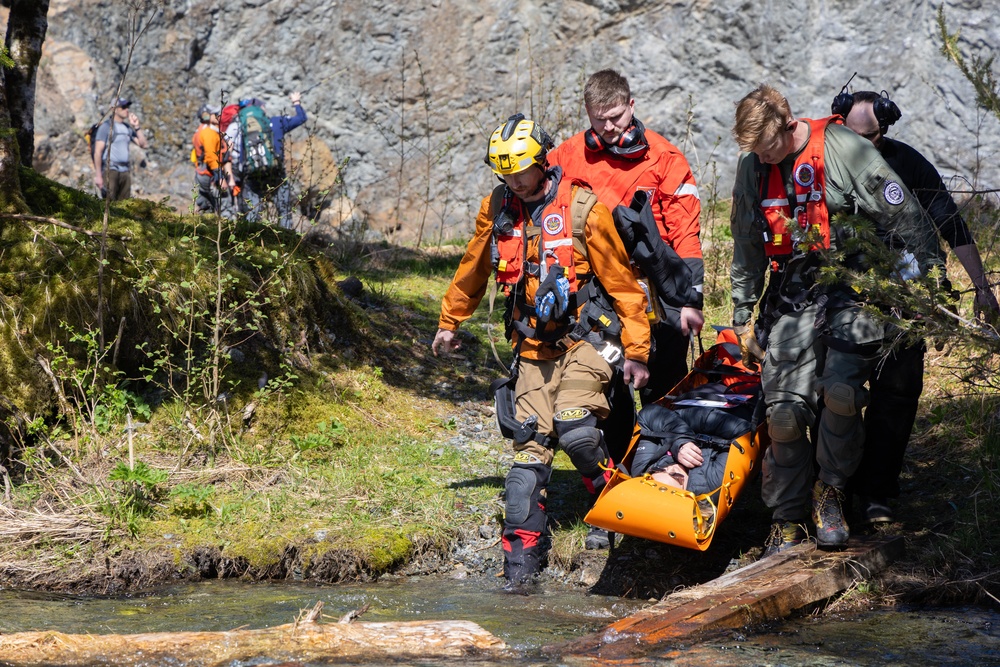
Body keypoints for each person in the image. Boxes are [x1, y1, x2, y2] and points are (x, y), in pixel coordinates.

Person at [432, 113, 651, 584]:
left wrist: (636, 351)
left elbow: (625, 285)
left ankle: (614, 505)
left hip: (588, 341)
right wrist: (450, 321)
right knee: (524, 468)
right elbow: (473, 267)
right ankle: (518, 581)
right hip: (532, 348)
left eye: (519, 170)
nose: (512, 180)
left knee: (576, 428)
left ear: (541, 161)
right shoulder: (498, 208)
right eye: (503, 172)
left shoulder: (582, 208)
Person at [729, 84, 945, 554]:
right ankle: (786, 517)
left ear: (788, 127)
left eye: (769, 149)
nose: (765, 161)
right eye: (756, 154)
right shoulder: (753, 168)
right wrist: (741, 314)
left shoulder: (844, 148)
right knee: (784, 413)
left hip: (855, 287)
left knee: (843, 395)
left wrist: (931, 279)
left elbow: (904, 213)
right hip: (793, 294)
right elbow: (746, 243)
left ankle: (830, 492)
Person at [834, 89, 1000, 523]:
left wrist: (981, 287)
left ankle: (877, 493)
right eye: (851, 136)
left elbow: (949, 220)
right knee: (837, 395)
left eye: (869, 138)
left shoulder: (908, 163)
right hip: (842, 294)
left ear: (884, 131)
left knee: (898, 392)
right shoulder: (823, 163)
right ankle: (832, 489)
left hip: (904, 293)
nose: (860, 148)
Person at [547, 69, 705, 407]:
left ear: (631, 105)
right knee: (608, 387)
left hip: (657, 288)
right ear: (587, 112)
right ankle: (615, 457)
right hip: (596, 293)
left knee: (663, 387)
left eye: (616, 117)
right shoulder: (565, 158)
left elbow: (686, 230)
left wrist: (692, 298)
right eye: (598, 119)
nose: (607, 127)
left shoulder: (665, 158)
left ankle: (661, 455)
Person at [230, 92, 308, 228]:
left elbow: (238, 155)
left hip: (253, 174)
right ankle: (286, 239)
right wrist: (296, 102)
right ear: (262, 110)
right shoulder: (277, 122)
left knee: (252, 211)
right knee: (283, 210)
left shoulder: (243, 129)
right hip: (275, 171)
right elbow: (301, 118)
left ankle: (250, 240)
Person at [92, 98, 148, 201]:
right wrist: (98, 176)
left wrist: (137, 127)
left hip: (125, 171)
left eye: (127, 107)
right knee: (109, 203)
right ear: (115, 109)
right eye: (123, 107)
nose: (126, 109)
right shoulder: (105, 127)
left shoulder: (127, 128)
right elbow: (97, 152)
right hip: (110, 170)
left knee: (124, 206)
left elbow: (143, 145)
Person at [191, 103, 235, 215]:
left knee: (206, 208)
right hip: (211, 176)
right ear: (206, 116)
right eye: (215, 114)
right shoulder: (208, 133)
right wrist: (220, 177)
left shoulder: (202, 130)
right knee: (225, 207)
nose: (219, 116)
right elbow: (211, 157)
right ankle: (226, 230)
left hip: (202, 174)